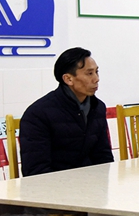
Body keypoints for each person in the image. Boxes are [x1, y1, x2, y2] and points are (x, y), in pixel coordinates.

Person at [19, 47, 113, 176]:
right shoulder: (38, 114)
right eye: (89, 73)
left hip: (91, 183)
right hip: (54, 185)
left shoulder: (97, 107)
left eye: (96, 72)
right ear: (68, 79)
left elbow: (103, 156)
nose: (96, 79)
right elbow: (35, 170)